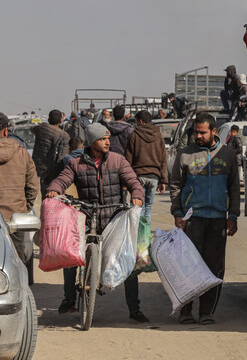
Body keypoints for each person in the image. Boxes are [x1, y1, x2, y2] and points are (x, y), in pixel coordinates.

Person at [46, 124, 147, 322]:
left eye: (108, 138)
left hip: (113, 218)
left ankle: (135, 309)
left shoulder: (118, 160)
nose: (107, 142)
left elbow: (133, 182)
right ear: (93, 142)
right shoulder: (76, 163)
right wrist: (54, 189)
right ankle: (69, 298)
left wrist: (137, 194)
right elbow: (62, 180)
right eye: (102, 139)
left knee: (128, 259)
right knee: (71, 253)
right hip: (86, 216)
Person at [170, 113, 240, 325]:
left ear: (214, 131)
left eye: (202, 132)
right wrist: (177, 213)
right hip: (193, 220)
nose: (198, 136)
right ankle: (186, 311)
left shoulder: (228, 154)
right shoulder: (185, 154)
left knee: (214, 267)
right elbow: (175, 185)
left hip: (218, 219)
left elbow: (234, 188)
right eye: (196, 132)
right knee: (189, 267)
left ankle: (206, 312)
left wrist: (233, 215)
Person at [0, 113, 39, 264]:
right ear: (5, 131)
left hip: (15, 217)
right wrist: (23, 209)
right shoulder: (22, 153)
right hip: (15, 219)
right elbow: (32, 187)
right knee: (17, 262)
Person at [124, 110, 168, 220]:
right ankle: (146, 229)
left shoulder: (134, 135)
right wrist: (163, 180)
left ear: (140, 121)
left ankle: (139, 230)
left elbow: (128, 158)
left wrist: (125, 179)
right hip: (154, 177)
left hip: (139, 176)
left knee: (139, 207)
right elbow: (163, 159)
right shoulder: (159, 136)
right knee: (148, 207)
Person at [31, 109, 70, 197]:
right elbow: (62, 158)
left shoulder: (41, 128)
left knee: (45, 198)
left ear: (48, 119)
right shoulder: (64, 136)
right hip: (54, 172)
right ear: (61, 120)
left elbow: (32, 129)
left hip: (39, 170)